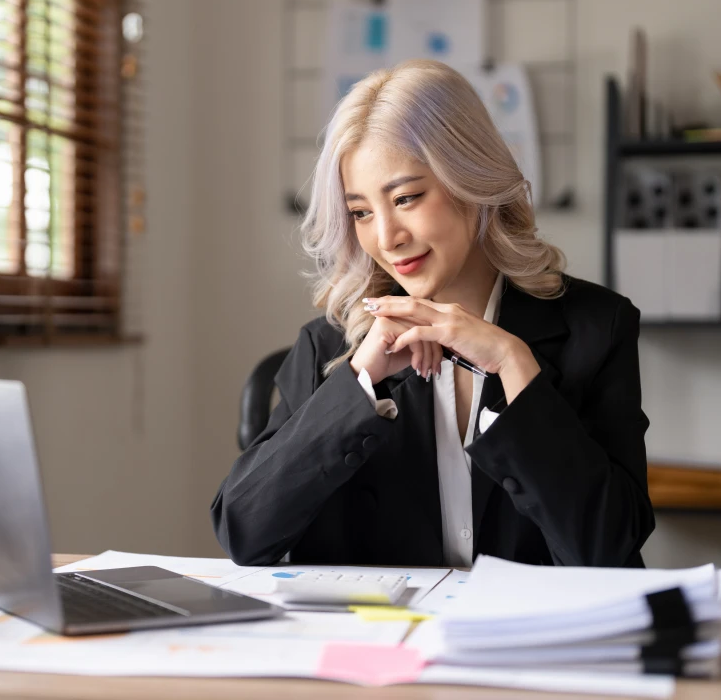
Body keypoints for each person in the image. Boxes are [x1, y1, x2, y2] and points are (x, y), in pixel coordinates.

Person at [211, 60, 653, 569]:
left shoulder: (596, 329)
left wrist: (514, 365)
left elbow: (610, 552)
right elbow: (242, 532)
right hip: (381, 644)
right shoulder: (330, 348)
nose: (386, 236)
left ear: (471, 177)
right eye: (361, 212)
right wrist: (358, 383)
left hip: (525, 645)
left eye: (406, 198)